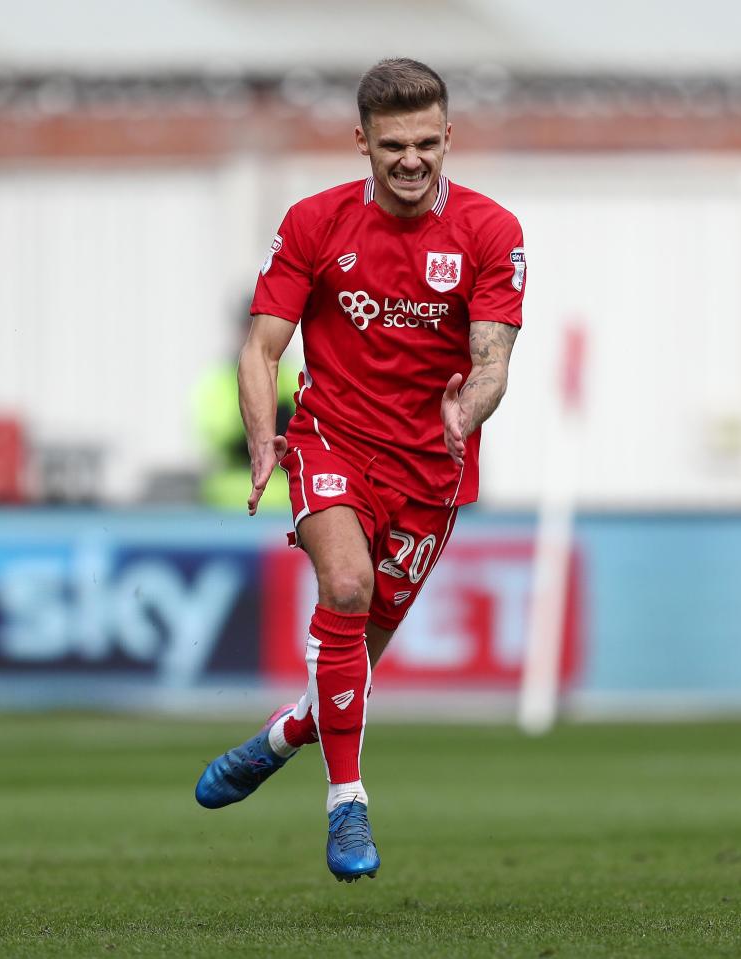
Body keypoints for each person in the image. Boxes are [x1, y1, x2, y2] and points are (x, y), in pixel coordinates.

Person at [195, 57, 526, 882]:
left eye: (425, 142)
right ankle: (347, 804)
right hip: (332, 440)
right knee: (345, 589)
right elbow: (260, 344)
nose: (410, 160)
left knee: (351, 668)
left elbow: (492, 362)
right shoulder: (315, 222)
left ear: (449, 137)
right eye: (392, 146)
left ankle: (281, 737)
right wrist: (266, 433)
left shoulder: (491, 231)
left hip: (431, 472)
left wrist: (466, 410)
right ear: (362, 143)